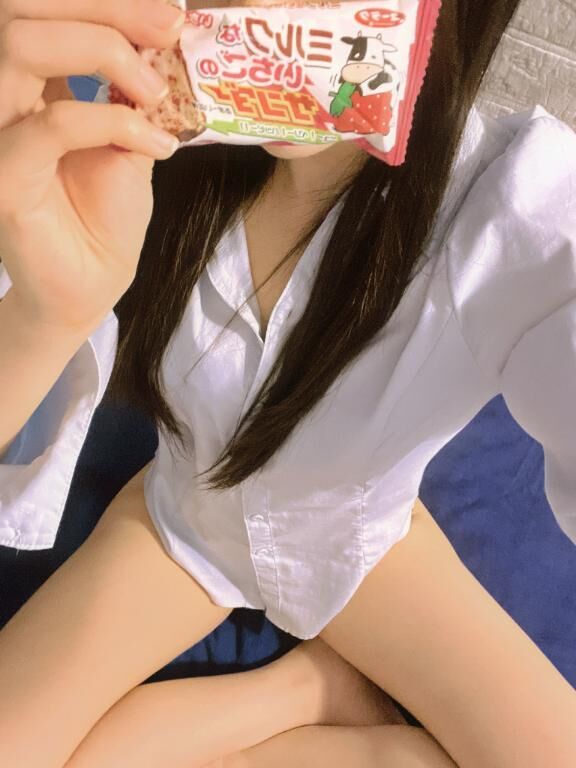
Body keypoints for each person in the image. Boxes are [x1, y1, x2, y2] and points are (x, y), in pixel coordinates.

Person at [0, 0, 575, 766]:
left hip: (357, 547)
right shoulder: (99, 121)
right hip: (184, 522)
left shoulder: (504, 204)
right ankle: (311, 689)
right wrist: (45, 315)